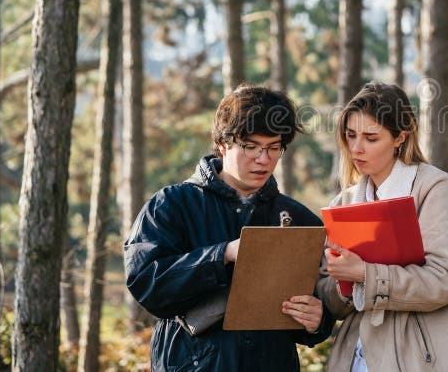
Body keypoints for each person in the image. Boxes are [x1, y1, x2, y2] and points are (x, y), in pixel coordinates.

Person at [124, 85, 334, 371]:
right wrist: (221, 254)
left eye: (274, 148)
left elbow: (321, 301)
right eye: (251, 147)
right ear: (223, 144)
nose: (264, 159)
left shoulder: (296, 216)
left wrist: (317, 320)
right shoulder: (171, 205)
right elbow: (147, 284)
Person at [317, 82, 448, 372]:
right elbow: (331, 300)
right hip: (356, 359)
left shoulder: (434, 189)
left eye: (371, 138)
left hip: (421, 360)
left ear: (400, 137)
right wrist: (343, 283)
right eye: (351, 135)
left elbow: (446, 281)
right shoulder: (343, 203)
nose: (357, 148)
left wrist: (365, 274)